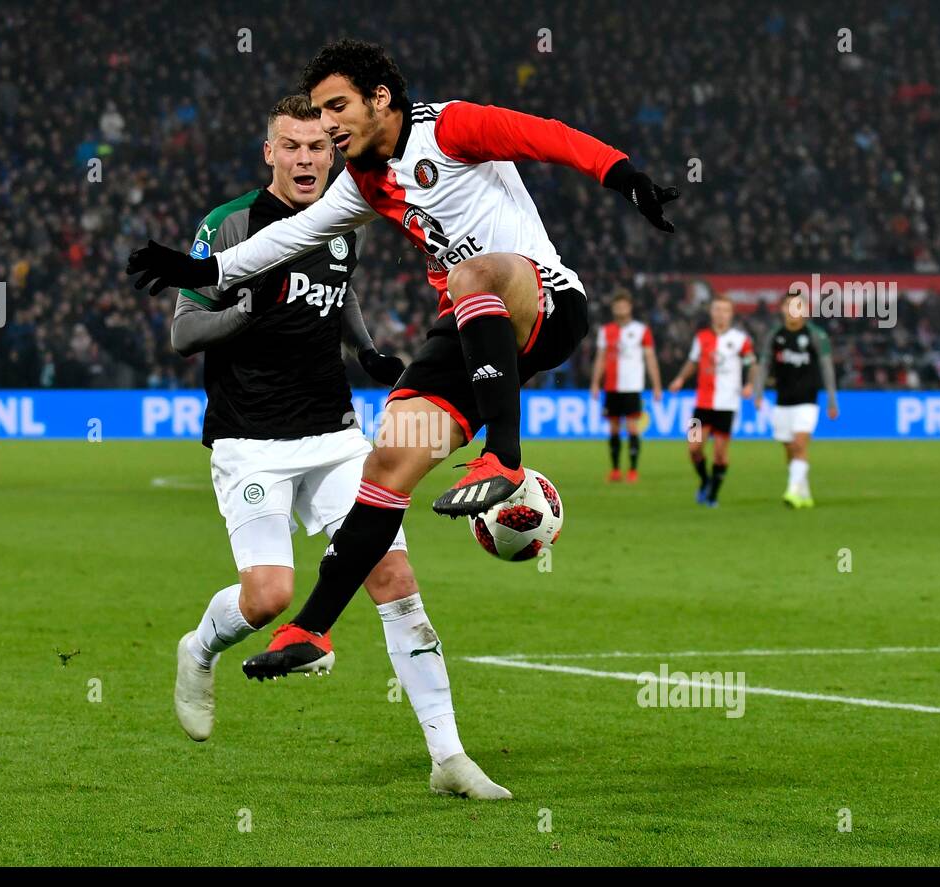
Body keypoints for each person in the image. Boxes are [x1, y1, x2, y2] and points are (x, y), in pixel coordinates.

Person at [127, 38, 677, 678]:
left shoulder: (449, 128)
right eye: (319, 113)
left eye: (337, 108)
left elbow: (545, 137)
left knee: (470, 273)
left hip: (545, 300)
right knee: (389, 457)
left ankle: (503, 455)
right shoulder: (363, 182)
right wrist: (206, 267)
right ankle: (312, 628)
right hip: (472, 331)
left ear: (379, 98)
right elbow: (291, 235)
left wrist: (623, 174)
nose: (327, 125)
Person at [170, 94, 509, 799]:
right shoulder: (227, 226)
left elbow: (340, 288)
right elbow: (182, 333)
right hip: (251, 439)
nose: (305, 159)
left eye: (317, 147)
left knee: (394, 583)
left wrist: (367, 350)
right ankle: (198, 649)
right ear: (268, 153)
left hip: (332, 434)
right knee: (269, 598)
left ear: (333, 152)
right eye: (290, 146)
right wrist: (251, 304)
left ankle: (447, 756)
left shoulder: (344, 216)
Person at [667, 296, 757, 507]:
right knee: (693, 447)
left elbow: (752, 364)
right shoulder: (702, 337)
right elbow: (693, 361)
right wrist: (680, 379)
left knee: (719, 453)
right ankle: (705, 480)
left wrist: (750, 384)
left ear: (731, 314)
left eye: (725, 310)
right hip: (702, 405)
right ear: (711, 312)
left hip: (727, 405)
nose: (720, 314)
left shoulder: (740, 339)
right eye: (717, 310)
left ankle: (713, 495)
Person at [753, 292, 839, 507]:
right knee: (790, 449)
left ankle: (791, 491)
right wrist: (758, 391)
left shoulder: (815, 335)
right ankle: (804, 492)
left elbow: (827, 367)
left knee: (800, 444)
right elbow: (764, 366)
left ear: (805, 310)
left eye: (798, 306)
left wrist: (831, 398)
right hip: (783, 400)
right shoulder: (775, 336)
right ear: (782, 309)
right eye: (789, 306)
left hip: (807, 400)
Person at [589, 289, 662, 482]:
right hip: (611, 387)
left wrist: (656, 385)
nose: (620, 308)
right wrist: (596, 383)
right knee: (613, 429)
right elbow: (601, 359)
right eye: (617, 305)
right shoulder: (606, 331)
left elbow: (650, 358)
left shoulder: (641, 330)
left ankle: (633, 470)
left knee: (632, 427)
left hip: (632, 387)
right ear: (613, 308)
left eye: (624, 305)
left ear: (629, 307)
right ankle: (615, 470)